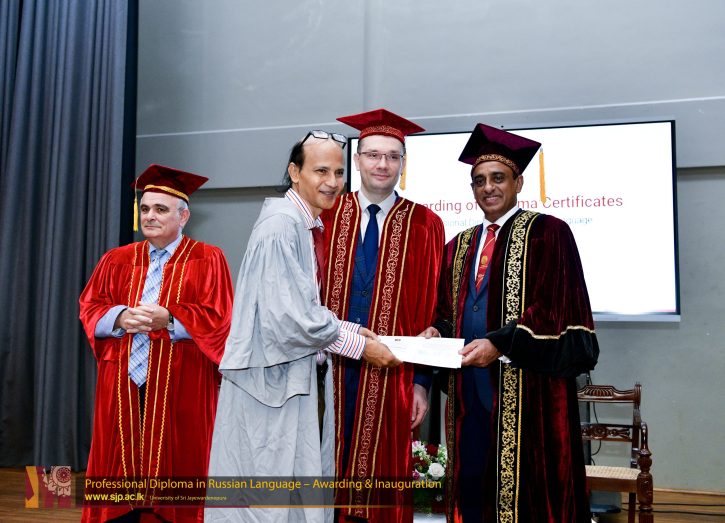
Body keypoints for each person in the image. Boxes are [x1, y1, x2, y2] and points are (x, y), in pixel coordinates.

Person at [205, 130, 400, 523]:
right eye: (321, 171)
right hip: (268, 388)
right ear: (295, 172)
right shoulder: (281, 226)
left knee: (289, 493)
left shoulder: (303, 224)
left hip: (286, 383)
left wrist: (349, 330)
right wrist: (359, 346)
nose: (332, 182)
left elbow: (297, 305)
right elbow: (288, 318)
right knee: (266, 499)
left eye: (339, 173)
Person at [422, 124, 599, 522]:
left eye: (498, 178)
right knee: (472, 487)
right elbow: (447, 313)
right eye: (479, 180)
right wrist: (437, 331)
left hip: (528, 392)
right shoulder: (458, 245)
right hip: (468, 393)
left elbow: (553, 309)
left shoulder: (549, 233)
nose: (488, 187)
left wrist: (500, 343)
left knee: (528, 493)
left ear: (518, 182)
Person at [79, 164, 234, 523]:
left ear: (184, 216)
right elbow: (90, 306)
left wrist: (173, 320)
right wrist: (118, 317)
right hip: (123, 380)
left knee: (178, 462)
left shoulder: (208, 258)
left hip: (182, 381)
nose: (149, 216)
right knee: (119, 461)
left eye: (161, 209)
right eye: (145, 208)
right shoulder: (116, 259)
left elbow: (221, 318)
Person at [321, 109, 445, 522]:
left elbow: (434, 311)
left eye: (393, 156)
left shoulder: (426, 224)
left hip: (394, 374)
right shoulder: (326, 216)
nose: (382, 164)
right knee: (323, 467)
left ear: (403, 164)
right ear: (357, 160)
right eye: (373, 155)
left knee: (380, 484)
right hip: (326, 368)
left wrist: (422, 384)